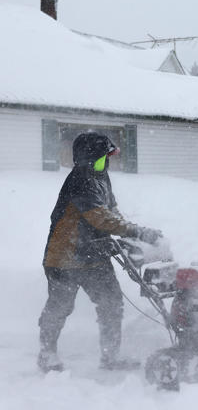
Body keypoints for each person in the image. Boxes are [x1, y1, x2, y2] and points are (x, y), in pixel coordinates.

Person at [37, 132, 163, 372]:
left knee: (112, 303)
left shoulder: (101, 178)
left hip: (93, 255)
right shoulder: (80, 180)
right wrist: (138, 232)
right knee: (60, 307)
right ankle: (47, 354)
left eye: (108, 157)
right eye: (104, 157)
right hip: (64, 256)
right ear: (89, 158)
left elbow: (112, 213)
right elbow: (100, 218)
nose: (108, 162)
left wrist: (128, 236)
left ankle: (110, 357)